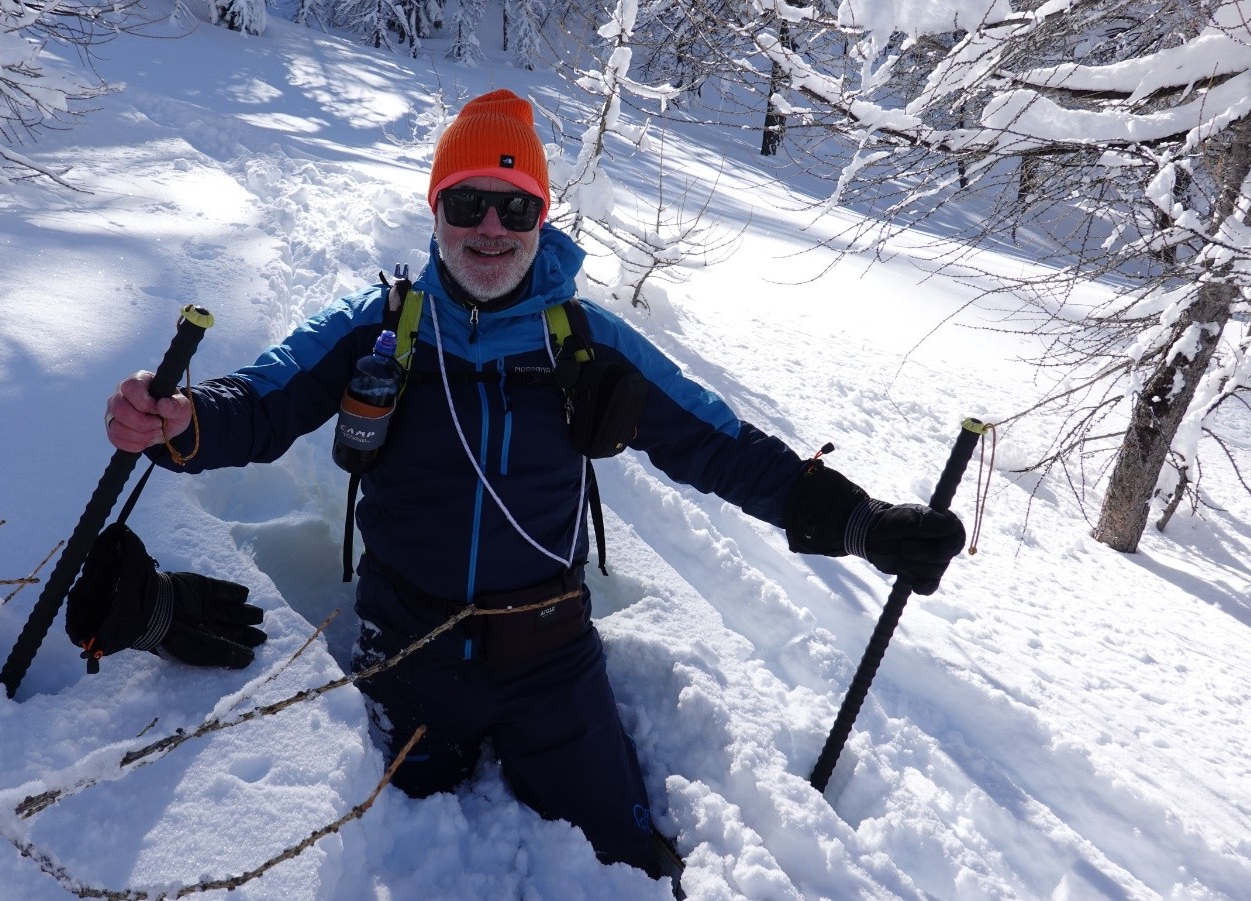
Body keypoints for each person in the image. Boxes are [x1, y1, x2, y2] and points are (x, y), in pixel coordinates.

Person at [104, 89, 965, 884]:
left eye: (515, 207)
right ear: (435, 210)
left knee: (631, 864)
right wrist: (182, 419)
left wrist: (858, 521)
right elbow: (264, 397)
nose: (490, 228)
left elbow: (719, 443)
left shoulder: (583, 342)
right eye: (466, 202)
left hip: (549, 655)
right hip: (405, 644)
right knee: (385, 839)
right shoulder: (381, 326)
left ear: (542, 218)